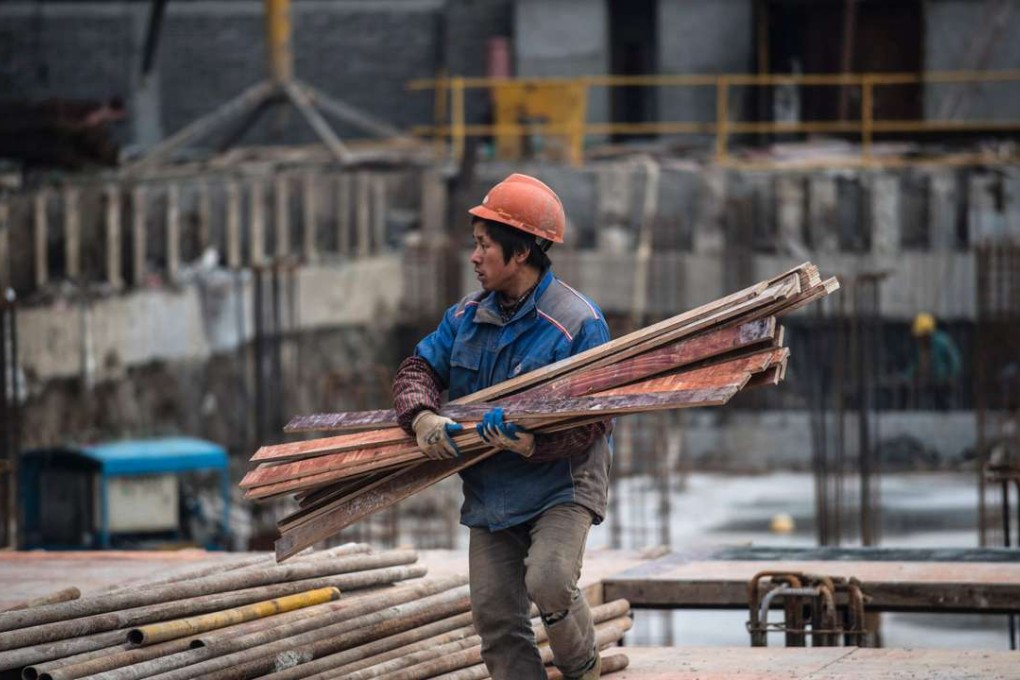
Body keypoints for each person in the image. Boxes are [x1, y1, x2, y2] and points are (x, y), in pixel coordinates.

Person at [392, 173, 612, 679]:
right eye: (475, 244)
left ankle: (584, 671)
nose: (474, 257)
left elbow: (596, 418)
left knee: (550, 581)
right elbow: (418, 370)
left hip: (561, 483)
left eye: (484, 246)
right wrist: (422, 415)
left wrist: (535, 441)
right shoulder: (465, 318)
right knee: (493, 614)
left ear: (520, 254)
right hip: (493, 490)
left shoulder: (578, 324)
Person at [905, 312, 962, 410]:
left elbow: (954, 360)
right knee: (928, 408)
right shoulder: (922, 346)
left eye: (921, 335)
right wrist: (907, 376)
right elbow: (916, 363)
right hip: (928, 382)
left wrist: (952, 377)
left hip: (943, 383)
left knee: (944, 407)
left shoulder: (942, 342)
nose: (919, 338)